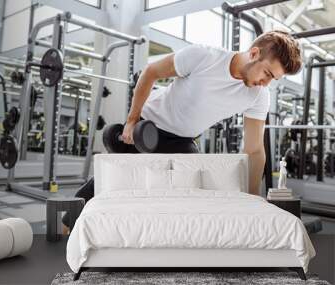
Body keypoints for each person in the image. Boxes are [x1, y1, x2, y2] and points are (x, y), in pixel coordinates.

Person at [62, 30, 301, 233]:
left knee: (191, 192)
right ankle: (63, 229)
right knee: (110, 180)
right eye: (267, 73)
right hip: (150, 127)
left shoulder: (259, 96)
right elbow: (150, 73)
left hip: (183, 140)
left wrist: (252, 199)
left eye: (273, 79)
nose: (266, 82)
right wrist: (131, 122)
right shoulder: (204, 57)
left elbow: (255, 150)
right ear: (255, 53)